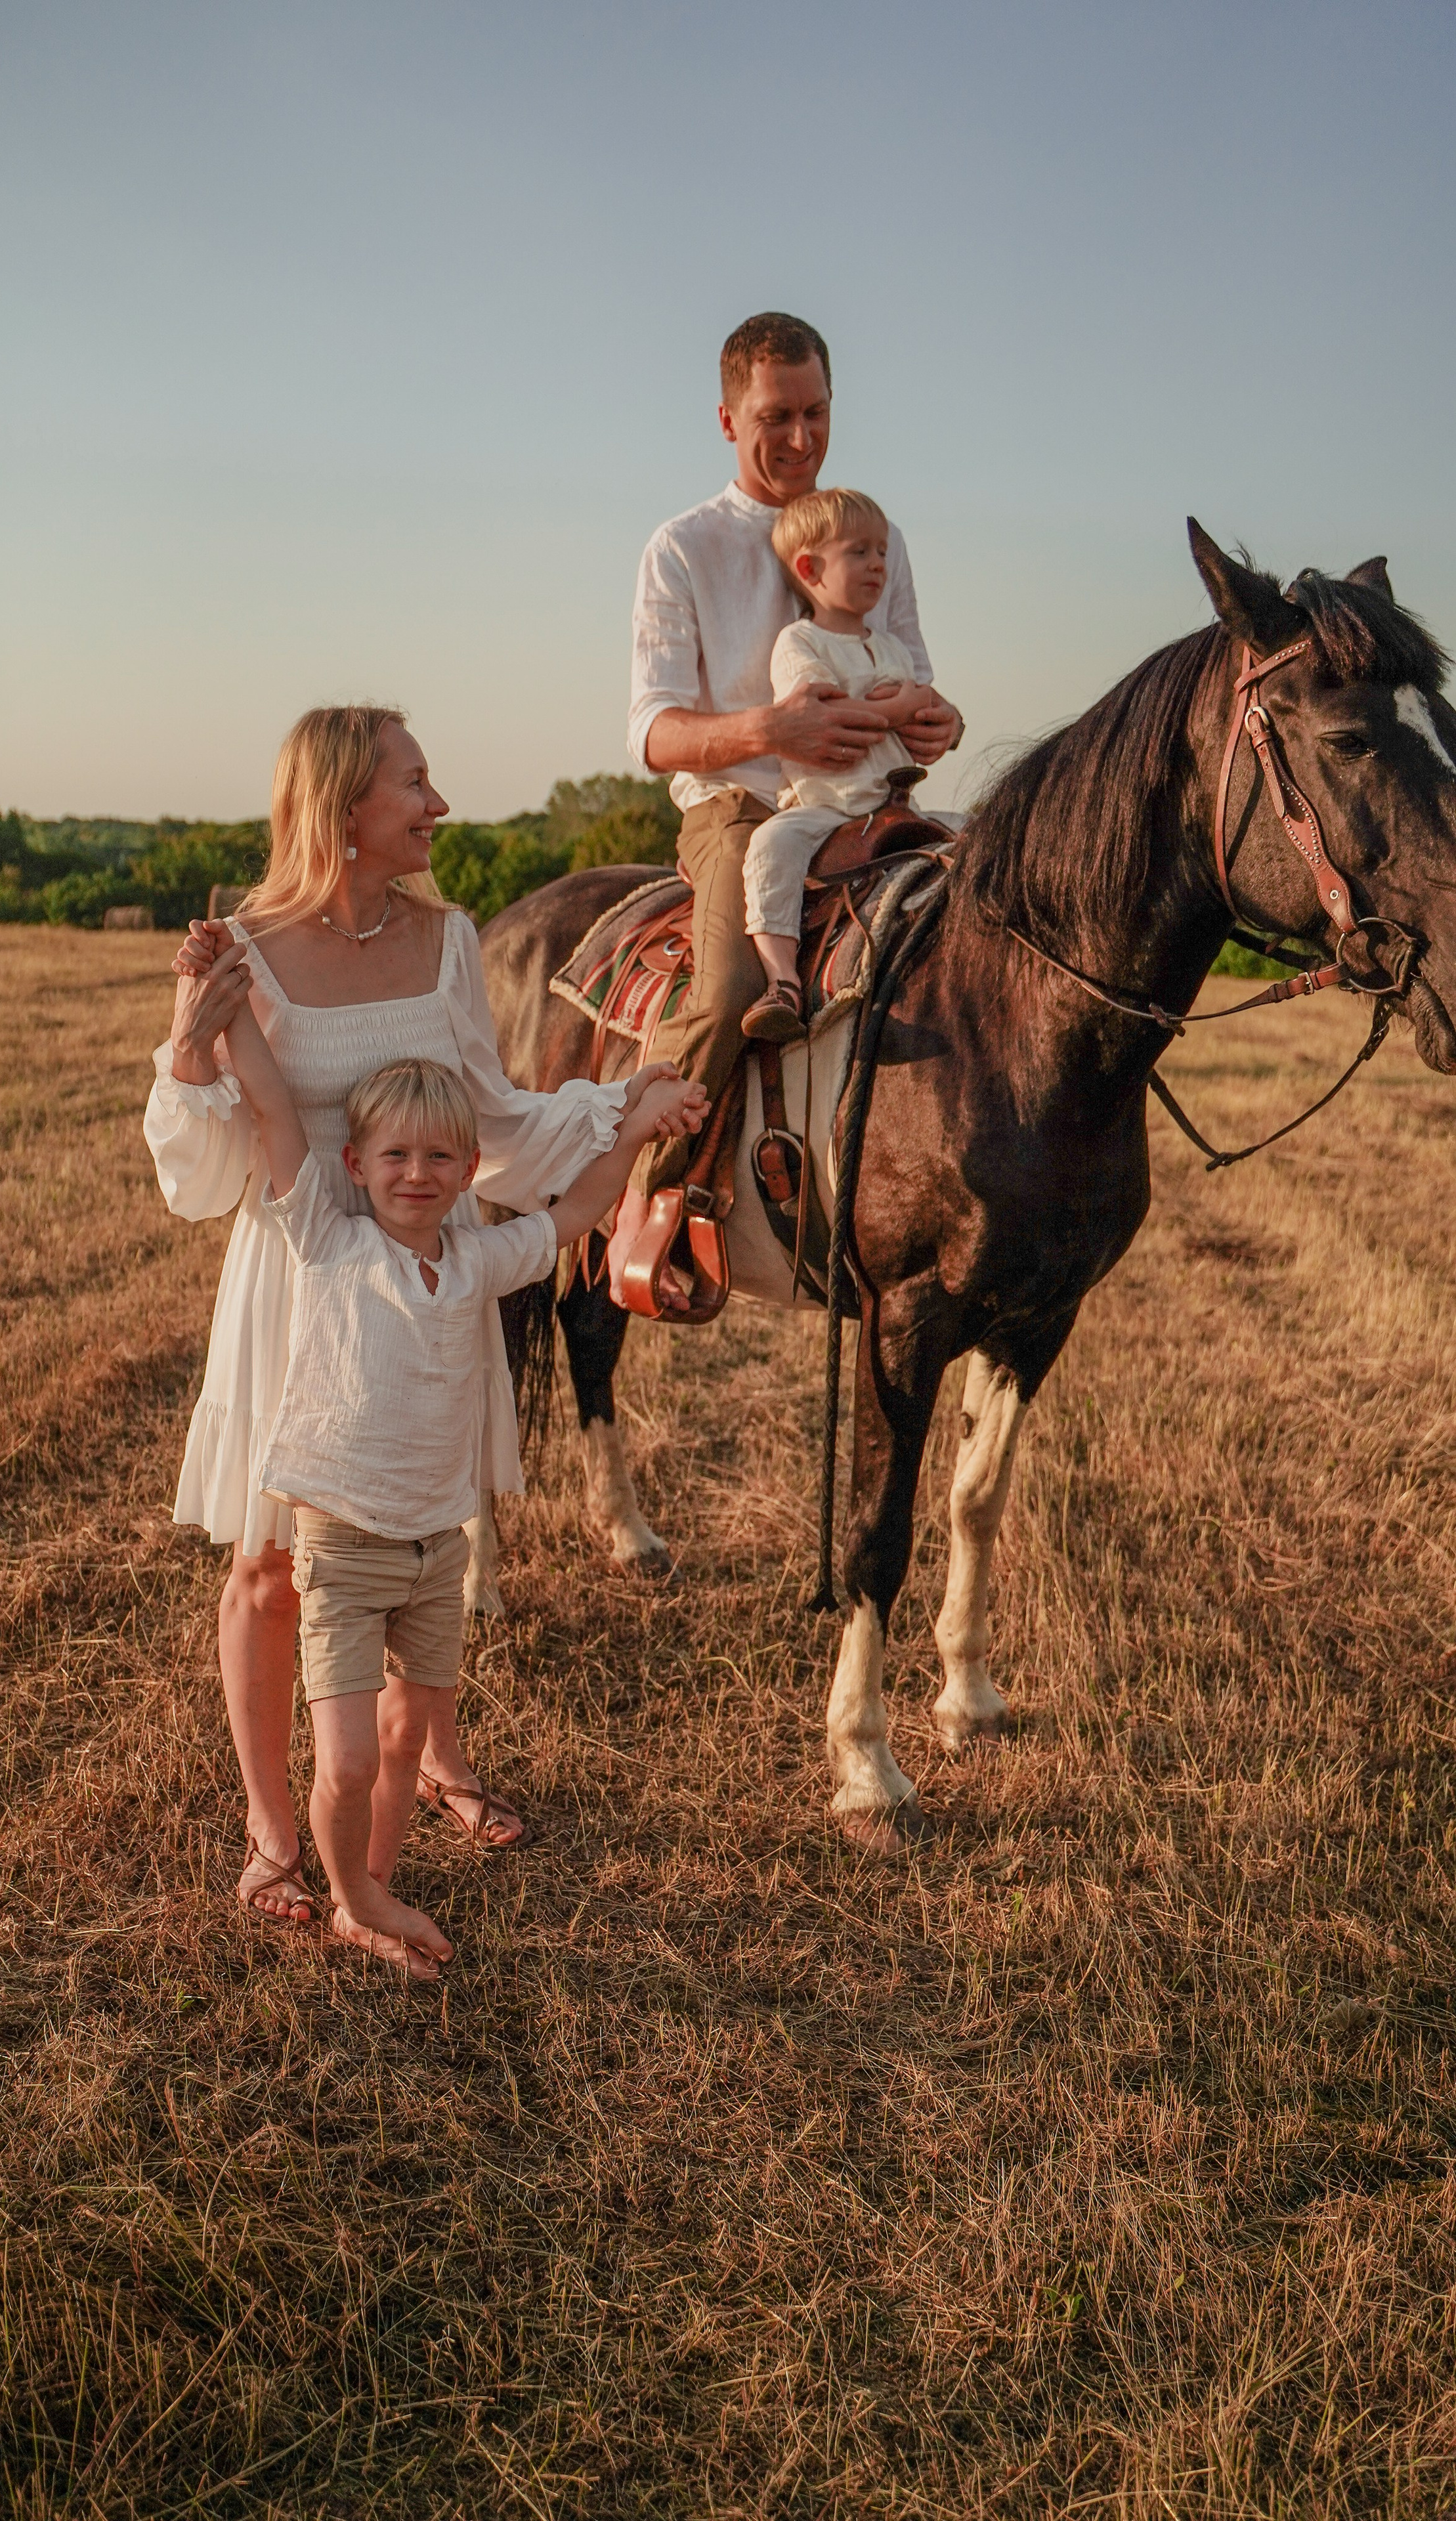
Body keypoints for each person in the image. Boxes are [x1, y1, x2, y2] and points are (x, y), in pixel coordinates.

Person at [145, 704, 702, 1926]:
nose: (438, 805)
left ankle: (433, 1758)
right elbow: (196, 1179)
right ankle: (271, 1831)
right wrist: (191, 1050)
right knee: (269, 1566)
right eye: (416, 783)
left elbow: (493, 1123)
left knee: (422, 1542)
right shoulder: (240, 947)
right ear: (347, 806)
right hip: (300, 1272)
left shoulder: (450, 941)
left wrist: (619, 1109)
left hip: (429, 1261)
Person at [209, 1038, 699, 1979]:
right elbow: (273, 1116)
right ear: (355, 1167)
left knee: (405, 1740)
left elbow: (579, 1212)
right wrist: (234, 1020)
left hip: (441, 1553)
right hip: (344, 1551)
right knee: (348, 1761)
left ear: (471, 1171)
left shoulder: (476, 1261)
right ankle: (354, 1895)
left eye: (440, 1158)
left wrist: (635, 1128)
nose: (418, 1175)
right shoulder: (326, 1234)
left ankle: (374, 1886)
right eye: (394, 1156)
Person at [620, 311, 963, 1271]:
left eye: (818, 413)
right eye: (777, 416)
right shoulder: (682, 547)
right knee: (730, 986)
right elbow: (652, 731)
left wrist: (940, 725)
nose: (803, 439)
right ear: (728, 419)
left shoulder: (873, 532)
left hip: (871, 801)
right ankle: (649, 1189)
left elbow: (918, 684)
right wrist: (775, 732)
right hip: (740, 808)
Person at [740, 487, 962, 1043]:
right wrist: (899, 705)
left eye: (882, 551)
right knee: (771, 848)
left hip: (893, 805)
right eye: (859, 552)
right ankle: (782, 979)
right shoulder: (799, 643)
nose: (878, 564)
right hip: (826, 808)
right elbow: (828, 717)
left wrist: (924, 715)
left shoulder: (891, 648)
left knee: (974, 835)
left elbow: (917, 715)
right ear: (811, 568)